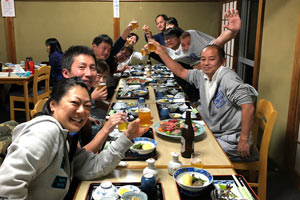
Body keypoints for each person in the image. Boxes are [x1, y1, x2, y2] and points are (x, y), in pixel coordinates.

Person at [0, 77, 150, 199]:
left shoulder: (65, 136)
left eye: (87, 106)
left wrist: (128, 136)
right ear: (53, 104)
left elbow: (93, 166)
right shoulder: (45, 132)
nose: (82, 111)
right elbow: (6, 186)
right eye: (75, 103)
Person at [153, 42, 258, 161]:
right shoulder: (203, 75)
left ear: (223, 61)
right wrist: (161, 53)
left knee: (190, 151)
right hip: (215, 133)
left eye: (211, 59)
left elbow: (248, 107)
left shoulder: (228, 78)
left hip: (232, 140)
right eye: (203, 59)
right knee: (183, 141)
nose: (206, 63)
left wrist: (244, 140)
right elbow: (181, 71)